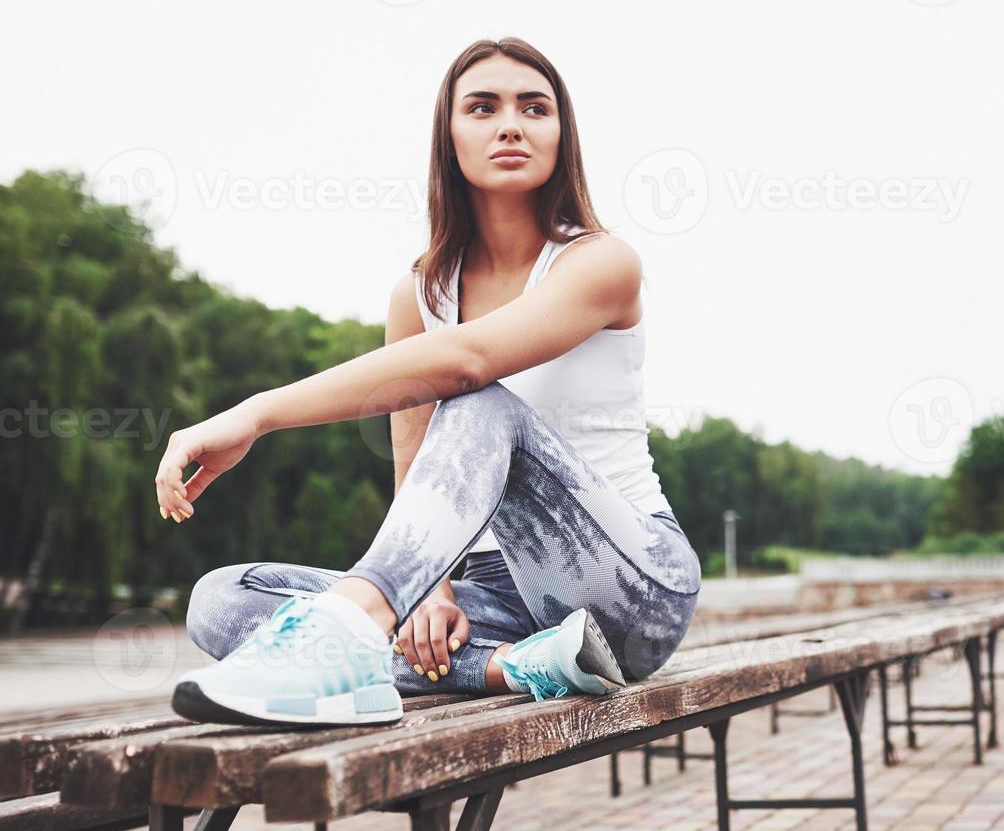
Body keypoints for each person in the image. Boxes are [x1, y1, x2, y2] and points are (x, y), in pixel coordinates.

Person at [158, 37, 702, 728]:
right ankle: (513, 665)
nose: (510, 123)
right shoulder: (419, 294)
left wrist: (257, 414)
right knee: (224, 599)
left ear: (562, 137)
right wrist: (429, 587)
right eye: (482, 107)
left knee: (480, 401)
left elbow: (470, 361)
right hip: (497, 602)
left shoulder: (600, 262)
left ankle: (353, 638)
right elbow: (416, 473)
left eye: (534, 108)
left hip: (631, 585)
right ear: (449, 137)